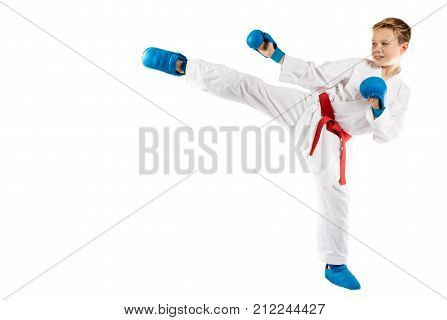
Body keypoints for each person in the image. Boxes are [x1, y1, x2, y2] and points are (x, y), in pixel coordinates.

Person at [142, 17, 411, 291]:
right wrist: (275, 55)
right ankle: (185, 66)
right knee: (253, 88)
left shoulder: (402, 93)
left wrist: (379, 108)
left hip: (333, 137)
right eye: (374, 43)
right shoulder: (362, 65)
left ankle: (335, 265)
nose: (377, 49)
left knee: (336, 195)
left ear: (403, 47)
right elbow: (317, 74)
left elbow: (387, 134)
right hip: (311, 107)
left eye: (385, 44)